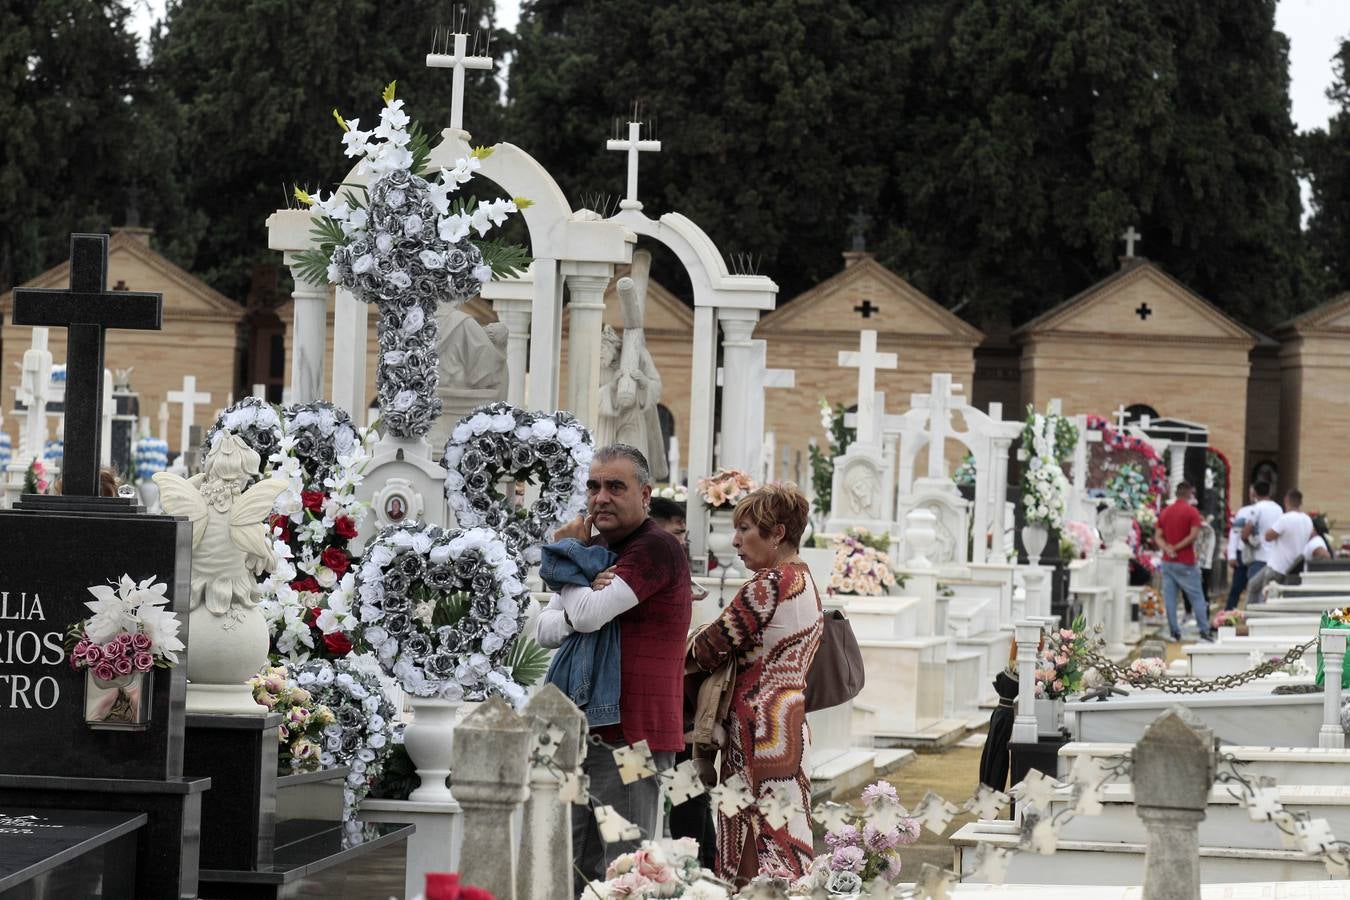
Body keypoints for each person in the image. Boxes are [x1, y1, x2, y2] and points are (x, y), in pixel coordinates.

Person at [534, 445, 692, 893]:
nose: (600, 497)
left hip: (634, 733)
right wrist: (581, 583)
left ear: (645, 495)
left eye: (615, 487)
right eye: (594, 486)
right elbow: (546, 629)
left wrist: (567, 558)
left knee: (624, 868)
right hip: (585, 728)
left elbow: (584, 617)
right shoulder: (594, 549)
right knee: (571, 864)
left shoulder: (655, 549)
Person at [689, 483, 822, 884]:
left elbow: (706, 650)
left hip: (754, 725)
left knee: (750, 834)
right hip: (790, 720)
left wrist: (693, 631)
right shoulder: (805, 580)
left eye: (745, 528)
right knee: (785, 828)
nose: (736, 540)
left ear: (777, 533)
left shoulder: (767, 584)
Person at [647, 495, 716, 869]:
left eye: (683, 534)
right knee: (645, 790)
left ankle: (701, 868)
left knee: (688, 790)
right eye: (674, 533)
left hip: (678, 701)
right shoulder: (645, 565)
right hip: (646, 703)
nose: (681, 542)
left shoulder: (675, 569)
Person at [1156, 482, 1214, 642]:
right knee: (1197, 597)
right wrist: (1177, 547)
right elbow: (1193, 535)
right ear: (1189, 494)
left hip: (1168, 561)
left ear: (1176, 493)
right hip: (1186, 560)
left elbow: (1158, 536)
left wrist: (1168, 549)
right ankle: (1204, 631)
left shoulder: (1165, 512)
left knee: (1170, 598)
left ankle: (1174, 632)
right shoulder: (1192, 512)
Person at [1248, 489, 1314, 601]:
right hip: (1293, 567)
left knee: (1267, 598)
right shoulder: (1307, 520)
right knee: (1253, 584)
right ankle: (1248, 614)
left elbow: (1268, 536)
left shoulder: (1285, 518)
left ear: (1286, 500)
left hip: (1277, 567)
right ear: (1300, 503)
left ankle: (1257, 616)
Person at [1241, 481, 1283, 590]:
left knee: (1254, 591)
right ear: (1269, 492)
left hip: (1258, 557)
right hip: (1274, 559)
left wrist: (1246, 540)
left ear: (1254, 493)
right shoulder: (1279, 509)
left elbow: (1246, 532)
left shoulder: (1256, 508)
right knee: (1269, 592)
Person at [1224, 487, 1259, 610]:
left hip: (1260, 555)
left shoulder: (1271, 510)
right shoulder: (1244, 512)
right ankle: (1228, 615)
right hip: (1243, 553)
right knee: (1237, 587)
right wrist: (1232, 554)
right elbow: (1235, 534)